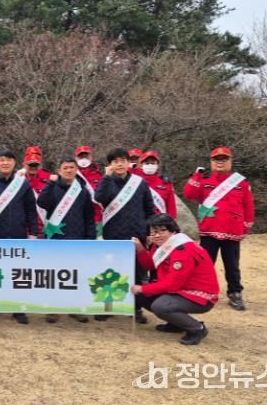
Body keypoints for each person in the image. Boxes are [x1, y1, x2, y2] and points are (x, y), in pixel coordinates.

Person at [183, 146, 254, 311]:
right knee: (205, 264)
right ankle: (201, 290)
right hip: (209, 230)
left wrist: (246, 228)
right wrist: (196, 176)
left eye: (224, 159)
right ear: (211, 162)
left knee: (232, 265)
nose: (220, 162)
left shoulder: (241, 183)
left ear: (230, 161)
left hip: (232, 231)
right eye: (216, 159)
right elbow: (189, 194)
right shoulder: (204, 181)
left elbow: (248, 206)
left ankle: (235, 293)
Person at [131, 214, 220, 345]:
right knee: (141, 295)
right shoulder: (161, 245)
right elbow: (150, 265)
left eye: (162, 230)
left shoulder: (183, 250)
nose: (157, 235)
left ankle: (197, 328)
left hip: (199, 295)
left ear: (173, 231)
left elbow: (172, 284)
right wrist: (140, 248)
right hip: (181, 289)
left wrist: (143, 288)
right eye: (153, 232)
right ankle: (176, 323)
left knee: (160, 306)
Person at [0, 149, 38, 325]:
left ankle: (18, 309)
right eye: (2, 160)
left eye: (9, 160)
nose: (5, 163)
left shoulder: (23, 183)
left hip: (18, 234)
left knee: (17, 273)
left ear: (14, 163)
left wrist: (33, 232)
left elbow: (31, 209)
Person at [94, 148, 155, 323]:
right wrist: (106, 177)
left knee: (137, 273)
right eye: (115, 161)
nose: (119, 164)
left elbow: (149, 209)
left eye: (122, 160)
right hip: (113, 236)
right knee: (110, 272)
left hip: (137, 236)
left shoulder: (139, 183)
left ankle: (136, 308)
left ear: (129, 162)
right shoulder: (107, 181)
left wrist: (149, 232)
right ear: (110, 165)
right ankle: (108, 307)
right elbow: (99, 197)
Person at [37, 156, 96, 323]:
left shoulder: (82, 190)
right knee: (55, 274)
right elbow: (42, 202)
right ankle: (53, 308)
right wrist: (50, 183)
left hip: (77, 238)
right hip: (55, 238)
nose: (69, 170)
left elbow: (89, 216)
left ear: (76, 169)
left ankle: (74, 307)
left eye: (71, 167)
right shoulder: (53, 187)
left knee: (76, 275)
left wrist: (90, 237)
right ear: (59, 170)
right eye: (65, 168)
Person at [137, 151, 177, 219]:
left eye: (153, 163)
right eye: (147, 163)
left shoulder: (166, 184)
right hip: (140, 221)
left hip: (160, 222)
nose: (150, 165)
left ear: (157, 165)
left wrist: (171, 221)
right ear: (141, 165)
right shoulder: (135, 182)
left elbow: (171, 208)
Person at [21, 152, 51, 237]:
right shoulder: (18, 180)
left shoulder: (48, 180)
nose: (33, 167)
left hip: (45, 230)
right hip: (25, 231)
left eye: (36, 165)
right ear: (24, 165)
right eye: (31, 165)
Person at [75, 145, 104, 229]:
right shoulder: (71, 174)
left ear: (91, 157)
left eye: (86, 156)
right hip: (77, 219)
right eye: (81, 156)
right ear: (76, 158)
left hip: (96, 220)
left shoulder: (99, 175)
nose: (84, 159)